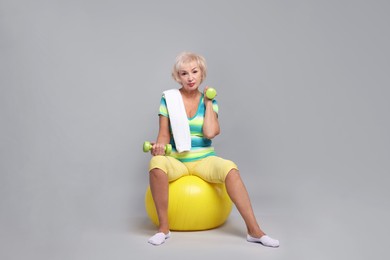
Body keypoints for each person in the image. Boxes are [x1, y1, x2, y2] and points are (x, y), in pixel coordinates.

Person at [146, 51, 279, 247]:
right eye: (184, 73)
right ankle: (163, 229)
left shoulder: (210, 101)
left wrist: (208, 104)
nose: (190, 78)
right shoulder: (169, 99)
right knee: (156, 163)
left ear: (202, 73)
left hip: (204, 160)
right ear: (177, 77)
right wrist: (158, 148)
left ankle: (254, 230)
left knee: (231, 169)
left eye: (194, 71)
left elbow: (210, 132)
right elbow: (164, 134)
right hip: (176, 160)